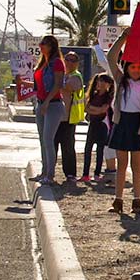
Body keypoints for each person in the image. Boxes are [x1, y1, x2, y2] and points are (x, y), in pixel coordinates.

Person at [106, 32, 140, 215]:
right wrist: (124, 37)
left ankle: (137, 200)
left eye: (139, 67)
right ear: (127, 67)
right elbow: (111, 57)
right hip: (122, 122)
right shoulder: (121, 81)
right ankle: (118, 200)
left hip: (138, 125)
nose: (136, 70)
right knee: (121, 164)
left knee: (137, 165)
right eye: (133, 67)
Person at [32, 36, 69, 185]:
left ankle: (50, 174)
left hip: (53, 104)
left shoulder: (57, 63)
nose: (41, 46)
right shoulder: (42, 63)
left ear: (52, 46)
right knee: (42, 140)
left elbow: (58, 84)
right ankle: (44, 172)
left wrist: (47, 101)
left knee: (48, 140)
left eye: (44, 44)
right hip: (41, 103)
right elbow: (39, 85)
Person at [81, 73, 114, 184]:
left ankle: (97, 173)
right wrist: (95, 109)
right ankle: (85, 174)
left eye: (103, 81)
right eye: (99, 81)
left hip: (102, 125)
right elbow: (87, 108)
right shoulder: (93, 94)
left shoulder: (108, 97)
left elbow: (103, 110)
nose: (100, 83)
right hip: (93, 123)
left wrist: (94, 109)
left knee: (100, 150)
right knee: (88, 149)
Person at [57, 55, 85, 185]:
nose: (69, 62)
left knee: (67, 147)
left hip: (69, 118)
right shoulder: (62, 74)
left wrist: (56, 80)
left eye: (73, 60)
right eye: (67, 59)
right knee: (52, 145)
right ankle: (48, 172)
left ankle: (70, 173)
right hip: (57, 116)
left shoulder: (76, 76)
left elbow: (67, 87)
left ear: (77, 63)